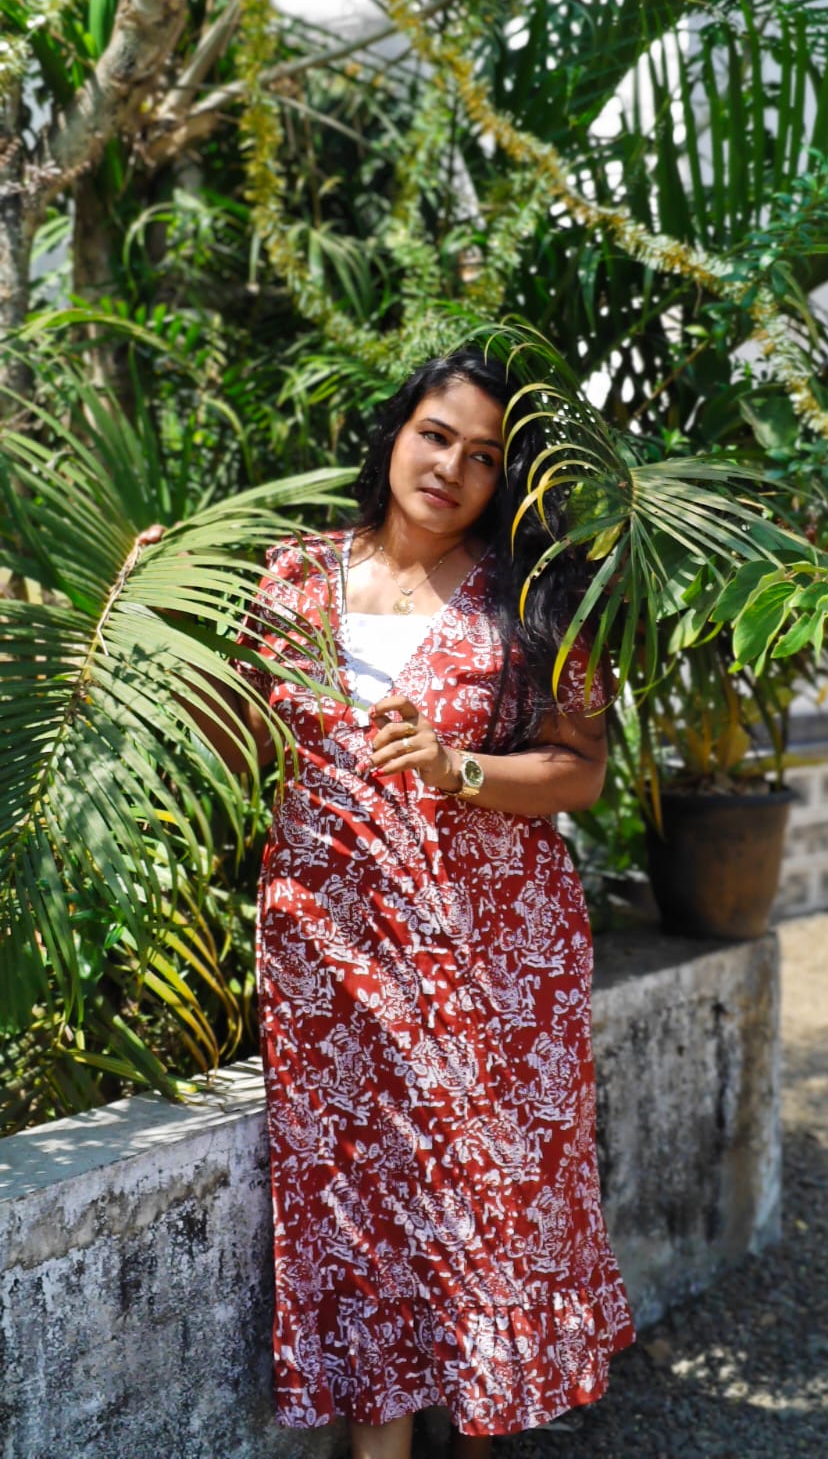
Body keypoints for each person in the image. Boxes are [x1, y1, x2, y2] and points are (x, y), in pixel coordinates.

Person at [234, 349, 634, 1459]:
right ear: (395, 433)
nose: (453, 466)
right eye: (436, 434)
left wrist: (458, 766)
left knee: (479, 1207)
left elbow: (580, 770)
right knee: (360, 1212)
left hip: (490, 960)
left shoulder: (539, 600)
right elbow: (235, 741)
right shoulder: (289, 580)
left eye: (487, 456)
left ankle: (483, 1432)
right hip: (329, 959)